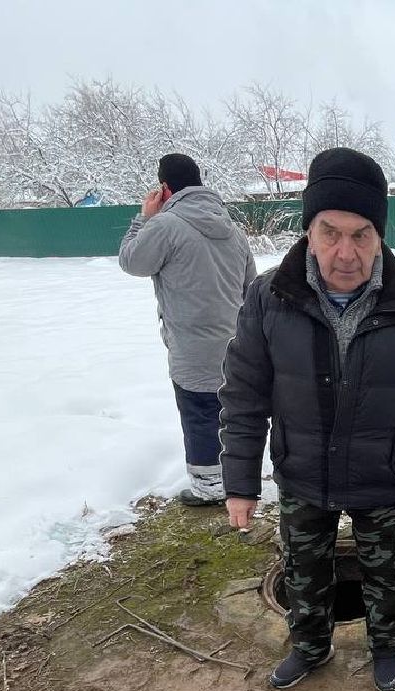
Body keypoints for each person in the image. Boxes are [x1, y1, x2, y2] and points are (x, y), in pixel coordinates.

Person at [218, 147, 395, 691]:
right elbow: (244, 394)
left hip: (382, 476)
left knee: (385, 576)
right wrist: (239, 482)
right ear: (309, 230)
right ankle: (310, 646)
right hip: (304, 473)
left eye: (362, 235)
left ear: (380, 237)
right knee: (306, 573)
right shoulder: (268, 298)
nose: (345, 252)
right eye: (331, 232)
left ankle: (385, 649)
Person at [120, 153, 256, 505]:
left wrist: (142, 220)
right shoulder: (233, 229)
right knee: (229, 413)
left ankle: (209, 488)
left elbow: (132, 261)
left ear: (165, 188)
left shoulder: (165, 226)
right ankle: (234, 478)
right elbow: (250, 286)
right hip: (234, 342)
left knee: (198, 413)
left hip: (191, 345)